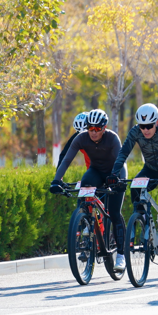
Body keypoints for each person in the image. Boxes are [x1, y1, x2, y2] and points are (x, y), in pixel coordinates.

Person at [107, 103, 158, 268]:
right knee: (135, 187)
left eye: (149, 126)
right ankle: (142, 220)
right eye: (142, 126)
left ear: (157, 122)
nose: (146, 130)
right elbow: (123, 153)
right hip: (150, 169)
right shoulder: (135, 132)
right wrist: (114, 174)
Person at [50, 109, 127, 270]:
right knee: (85, 183)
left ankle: (121, 255)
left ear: (104, 128)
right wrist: (56, 180)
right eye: (90, 128)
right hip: (96, 172)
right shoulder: (81, 138)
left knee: (114, 213)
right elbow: (66, 160)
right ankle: (87, 220)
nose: (93, 132)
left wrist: (120, 180)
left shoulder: (112, 138)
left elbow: (121, 162)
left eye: (97, 129)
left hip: (114, 173)